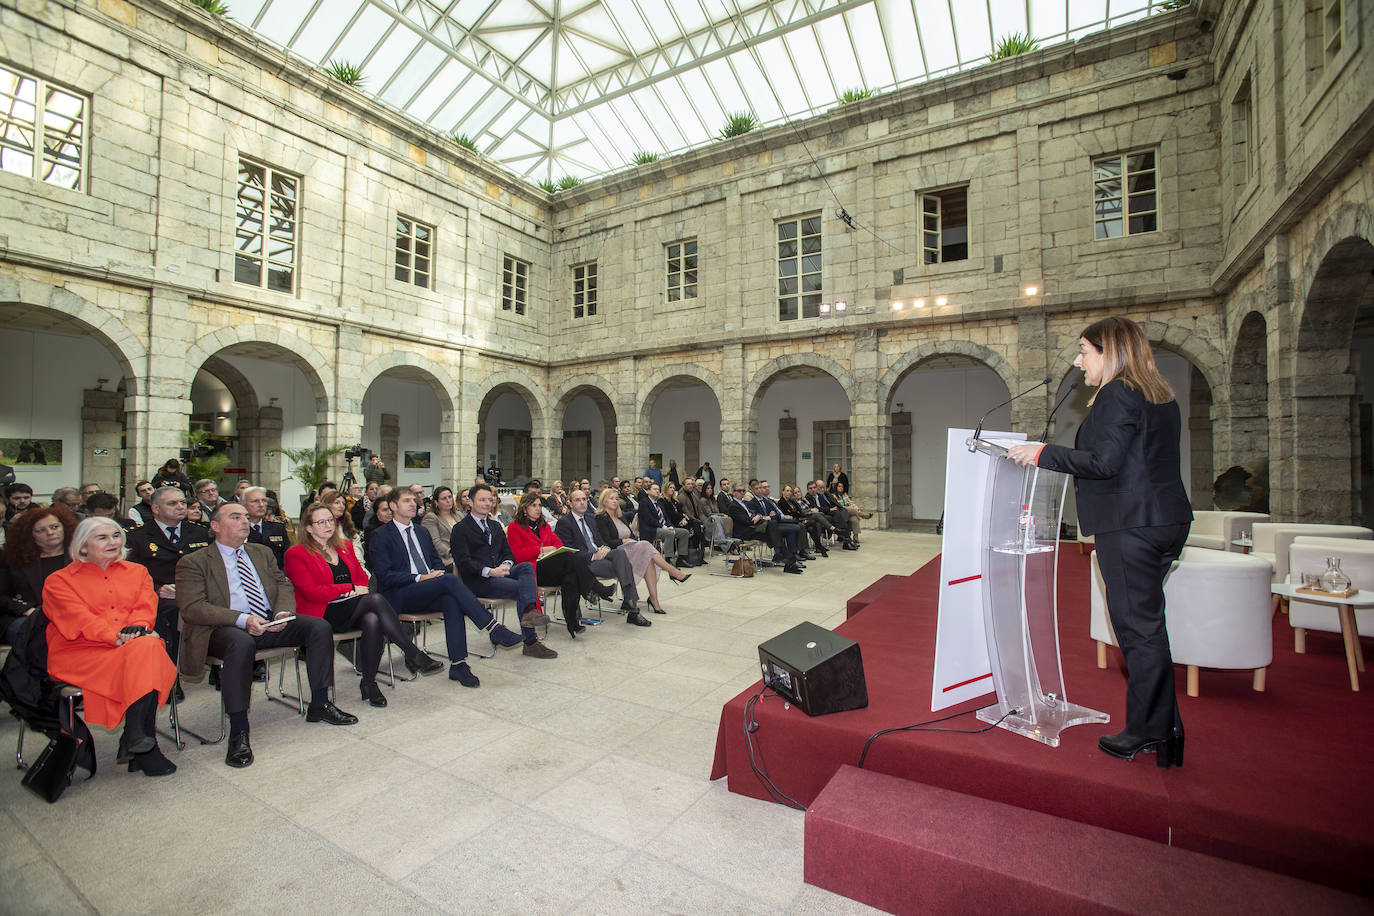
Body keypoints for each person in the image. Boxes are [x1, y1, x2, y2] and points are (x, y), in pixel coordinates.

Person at [1008, 316, 1192, 769]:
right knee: (1149, 627)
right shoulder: (1159, 394)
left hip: (1130, 526)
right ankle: (1167, 729)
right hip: (1165, 520)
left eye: (1084, 351)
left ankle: (1148, 731)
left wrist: (1042, 453)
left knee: (1137, 631)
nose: (1078, 360)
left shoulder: (1117, 393)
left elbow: (1104, 462)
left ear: (1110, 352)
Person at [176, 503, 359, 769]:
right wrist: (242, 620)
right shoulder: (194, 562)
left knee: (318, 628)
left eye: (246, 517)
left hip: (269, 621)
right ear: (214, 526)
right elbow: (193, 608)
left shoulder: (261, 552)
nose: (244, 521)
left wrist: (283, 613)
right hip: (224, 629)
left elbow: (283, 583)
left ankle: (320, 703)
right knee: (240, 642)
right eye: (235, 517)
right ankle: (239, 729)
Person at [43, 517, 178, 776]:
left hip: (131, 646)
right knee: (150, 652)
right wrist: (116, 637)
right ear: (82, 546)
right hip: (81, 652)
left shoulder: (138, 572)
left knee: (148, 647)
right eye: (102, 538)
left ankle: (137, 736)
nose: (113, 542)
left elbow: (144, 608)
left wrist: (135, 629)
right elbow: (78, 619)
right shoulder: (59, 580)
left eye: (116, 536)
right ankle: (139, 741)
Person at [284, 503, 445, 707]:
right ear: (308, 527)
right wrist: (347, 589)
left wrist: (355, 588)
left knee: (372, 620)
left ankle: (369, 683)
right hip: (322, 613)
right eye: (320, 522)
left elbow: (362, 577)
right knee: (374, 600)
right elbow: (310, 591)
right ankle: (412, 653)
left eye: (330, 521)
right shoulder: (296, 553)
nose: (327, 526)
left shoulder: (344, 546)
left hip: (351, 607)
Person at [368, 488, 524, 687]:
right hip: (399, 594)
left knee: (452, 600)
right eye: (406, 500)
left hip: (428, 588)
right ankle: (493, 627)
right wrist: (421, 578)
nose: (413, 504)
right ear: (393, 506)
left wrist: (436, 574)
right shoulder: (381, 535)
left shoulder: (421, 532)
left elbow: (438, 562)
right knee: (450, 582)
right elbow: (384, 575)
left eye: (413, 500)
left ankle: (458, 665)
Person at [450, 484, 559, 653]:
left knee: (525, 567)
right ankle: (531, 642)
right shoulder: (460, 529)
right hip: (479, 579)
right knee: (520, 588)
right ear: (470, 502)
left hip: (500, 572)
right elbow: (464, 562)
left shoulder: (495, 526)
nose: (487, 503)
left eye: (490, 500)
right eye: (482, 500)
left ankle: (530, 610)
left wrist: (506, 565)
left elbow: (508, 553)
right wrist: (490, 571)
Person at [505, 492, 617, 639]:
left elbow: (558, 543)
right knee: (570, 558)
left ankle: (573, 623)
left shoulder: (543, 525)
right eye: (533, 505)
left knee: (571, 576)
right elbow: (516, 554)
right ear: (524, 509)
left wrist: (550, 550)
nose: (538, 509)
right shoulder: (515, 527)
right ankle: (595, 587)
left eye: (539, 505)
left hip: (551, 567)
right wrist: (540, 550)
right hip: (532, 570)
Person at [125, 485, 213, 667]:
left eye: (182, 502)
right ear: (156, 508)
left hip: (200, 593)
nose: (180, 506)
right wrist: (157, 589)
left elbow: (214, 568)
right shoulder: (137, 537)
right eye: (172, 503)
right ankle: (171, 674)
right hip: (163, 596)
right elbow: (131, 576)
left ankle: (219, 666)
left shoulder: (200, 532)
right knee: (171, 611)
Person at [596, 488, 687, 619]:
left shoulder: (620, 516)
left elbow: (631, 534)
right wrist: (624, 540)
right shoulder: (601, 518)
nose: (615, 501)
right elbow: (608, 541)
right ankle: (672, 571)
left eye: (616, 498)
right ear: (603, 501)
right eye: (611, 498)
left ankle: (655, 601)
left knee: (648, 558)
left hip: (630, 548)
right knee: (645, 545)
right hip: (617, 552)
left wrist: (630, 540)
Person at [555, 488, 643, 616]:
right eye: (577, 500)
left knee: (620, 554)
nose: (582, 503)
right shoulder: (564, 523)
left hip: (601, 557)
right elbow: (569, 551)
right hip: (584, 563)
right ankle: (630, 602)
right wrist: (592, 556)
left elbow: (601, 540)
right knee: (624, 565)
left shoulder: (591, 519)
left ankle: (629, 600)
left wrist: (604, 547)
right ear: (570, 503)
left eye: (584, 499)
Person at [0, 506, 79, 644]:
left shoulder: (81, 557)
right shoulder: (12, 559)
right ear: (30, 535)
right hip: (27, 616)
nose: (50, 533)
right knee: (40, 633)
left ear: (64, 527)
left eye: (55, 527)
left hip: (73, 614)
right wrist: (27, 610)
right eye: (41, 530)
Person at [726, 481, 803, 574]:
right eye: (740, 491)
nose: (742, 492)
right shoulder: (733, 506)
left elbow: (755, 514)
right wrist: (757, 517)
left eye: (743, 490)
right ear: (734, 492)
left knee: (773, 532)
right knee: (773, 528)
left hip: (753, 528)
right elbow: (746, 521)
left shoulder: (745, 503)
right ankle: (786, 558)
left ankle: (787, 560)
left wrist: (758, 516)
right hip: (744, 532)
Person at [638, 482, 691, 567]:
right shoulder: (644, 502)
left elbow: (666, 517)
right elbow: (649, 520)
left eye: (658, 489)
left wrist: (670, 526)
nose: (657, 491)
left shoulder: (659, 503)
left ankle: (681, 559)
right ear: (648, 491)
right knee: (669, 533)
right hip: (650, 529)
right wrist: (664, 527)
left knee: (684, 532)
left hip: (663, 528)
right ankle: (668, 560)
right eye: (654, 489)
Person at [243, 486, 290, 568]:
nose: (261, 505)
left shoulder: (278, 528)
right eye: (255, 501)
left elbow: (286, 558)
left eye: (264, 501)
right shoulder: (238, 529)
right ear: (243, 505)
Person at [421, 486, 461, 573]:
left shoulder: (459, 515)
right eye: (444, 498)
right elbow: (436, 543)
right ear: (436, 502)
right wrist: (454, 552)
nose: (448, 500)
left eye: (450, 497)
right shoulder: (431, 518)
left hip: (464, 554)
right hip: (446, 558)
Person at [360, 498, 394, 572]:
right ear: (377, 513)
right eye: (384, 510)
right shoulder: (372, 530)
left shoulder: (398, 527)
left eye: (391, 509)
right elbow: (375, 557)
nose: (389, 512)